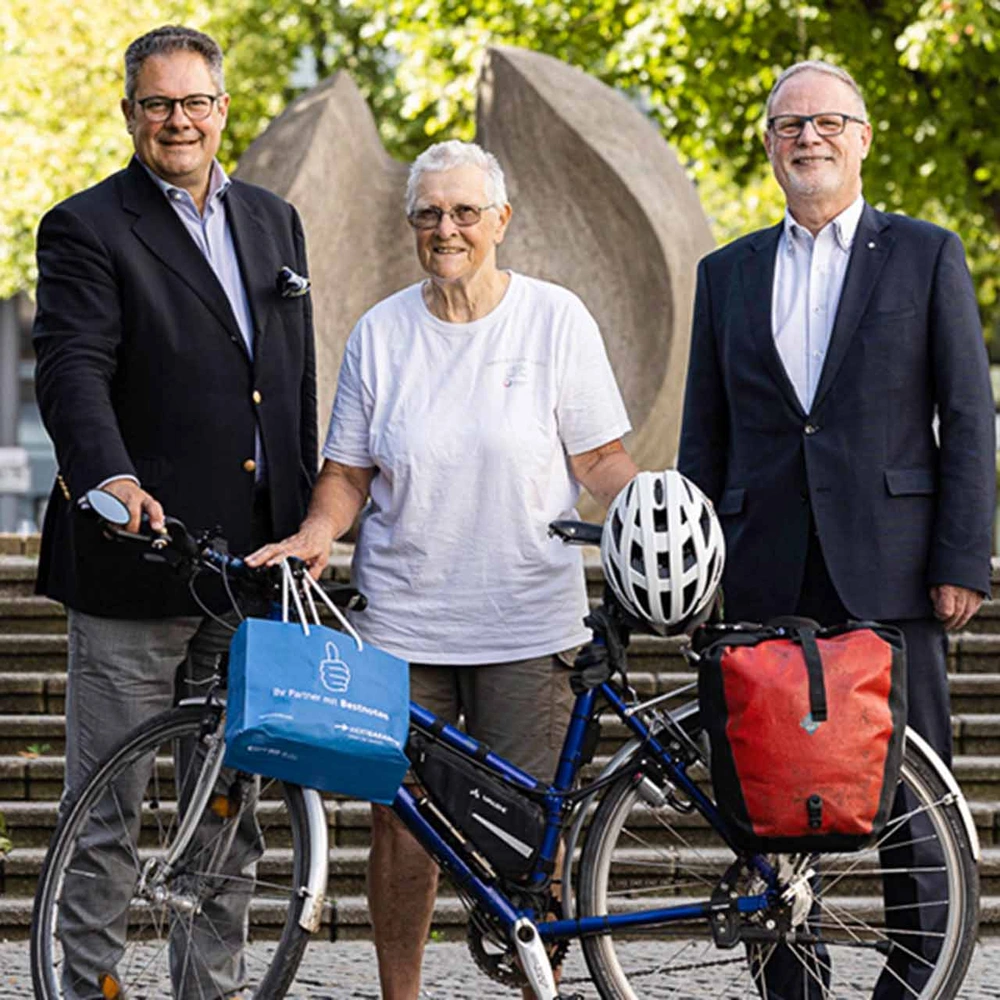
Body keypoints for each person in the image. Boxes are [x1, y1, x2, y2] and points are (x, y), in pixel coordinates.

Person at [248, 139, 637, 1000]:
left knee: (532, 823)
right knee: (401, 823)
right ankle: (402, 996)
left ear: (501, 220)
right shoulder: (382, 333)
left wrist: (652, 502)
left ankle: (541, 984)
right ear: (411, 225)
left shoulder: (554, 318)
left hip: (529, 622)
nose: (447, 228)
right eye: (429, 214)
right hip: (403, 622)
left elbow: (601, 458)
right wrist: (318, 531)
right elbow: (348, 474)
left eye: (465, 211)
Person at [678, 60, 995, 998]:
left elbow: (968, 417)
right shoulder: (725, 273)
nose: (806, 138)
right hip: (764, 567)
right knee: (768, 788)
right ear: (768, 145)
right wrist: (697, 572)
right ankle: (792, 982)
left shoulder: (926, 254)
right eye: (787, 125)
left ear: (862, 138)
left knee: (913, 791)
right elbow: (705, 435)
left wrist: (960, 557)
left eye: (826, 123)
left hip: (895, 570)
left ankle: (918, 977)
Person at [32, 24, 316, 998]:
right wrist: (107, 481)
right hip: (135, 565)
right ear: (130, 116)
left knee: (231, 805)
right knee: (106, 805)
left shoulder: (277, 223)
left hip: (247, 570)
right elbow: (71, 368)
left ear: (223, 108)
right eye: (159, 104)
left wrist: (309, 519)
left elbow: (287, 385)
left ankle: (211, 989)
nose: (179, 120)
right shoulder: (85, 226)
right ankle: (89, 987)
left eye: (195, 101)